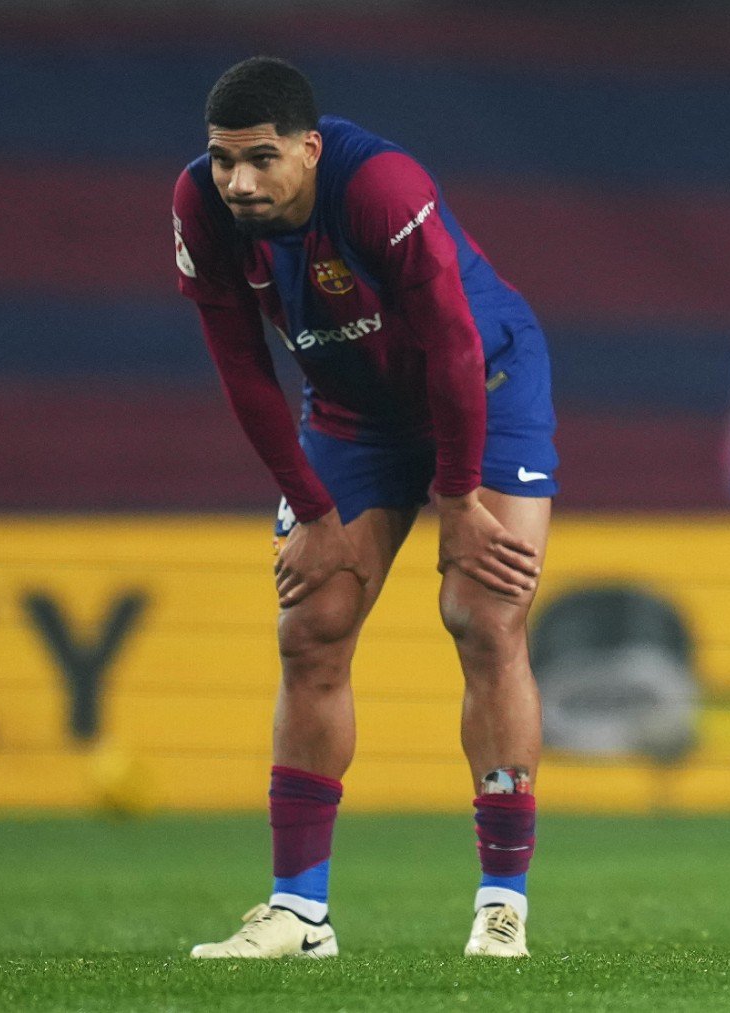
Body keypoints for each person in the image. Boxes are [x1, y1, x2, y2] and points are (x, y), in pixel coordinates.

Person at [173, 57, 558, 959]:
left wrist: (458, 498)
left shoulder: (381, 187)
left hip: (488, 384)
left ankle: (502, 904)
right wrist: (311, 511)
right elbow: (243, 371)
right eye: (224, 161)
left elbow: (456, 347)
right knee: (311, 627)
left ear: (309, 149)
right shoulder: (201, 210)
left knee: (483, 616)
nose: (238, 181)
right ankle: (298, 913)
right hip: (353, 414)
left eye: (261, 159)